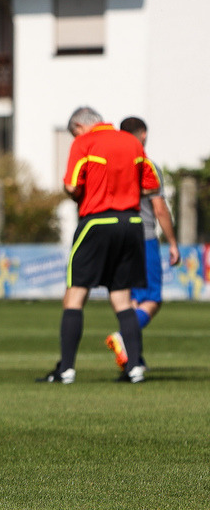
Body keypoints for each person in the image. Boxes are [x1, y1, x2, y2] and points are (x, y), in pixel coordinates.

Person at [38, 107, 160, 385]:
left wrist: (91, 192)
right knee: (122, 296)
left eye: (73, 133)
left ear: (80, 126)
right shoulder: (132, 142)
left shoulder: (84, 143)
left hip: (97, 222)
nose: (74, 138)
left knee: (75, 295)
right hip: (131, 223)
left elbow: (72, 186)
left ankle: (66, 369)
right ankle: (133, 368)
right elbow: (151, 184)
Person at [104, 117, 180, 374]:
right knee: (152, 299)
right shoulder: (146, 165)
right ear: (143, 134)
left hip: (114, 235)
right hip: (143, 236)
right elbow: (159, 208)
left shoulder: (112, 165)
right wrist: (172, 242)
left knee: (132, 300)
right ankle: (123, 338)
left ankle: (135, 359)